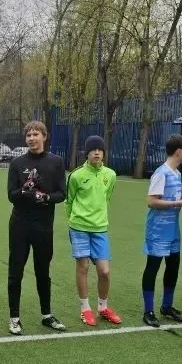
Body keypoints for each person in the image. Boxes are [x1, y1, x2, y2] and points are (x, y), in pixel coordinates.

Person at [6, 120, 67, 335]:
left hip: (43, 226)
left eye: (36, 134)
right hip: (20, 225)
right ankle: (14, 318)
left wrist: (45, 197)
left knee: (43, 271)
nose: (32, 138)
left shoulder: (56, 162)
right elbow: (11, 195)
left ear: (44, 136)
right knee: (16, 271)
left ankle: (46, 315)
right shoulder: (17, 163)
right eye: (28, 135)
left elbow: (62, 194)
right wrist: (25, 190)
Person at [66, 135, 121, 326]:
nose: (97, 153)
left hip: (100, 229)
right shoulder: (76, 175)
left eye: (100, 150)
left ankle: (103, 307)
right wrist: (74, 220)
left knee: (104, 271)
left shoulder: (110, 175)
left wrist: (99, 218)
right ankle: (85, 309)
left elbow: (107, 197)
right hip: (79, 227)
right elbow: (69, 201)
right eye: (93, 150)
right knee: (83, 268)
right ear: (87, 153)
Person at [141, 134, 182, 328]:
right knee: (152, 268)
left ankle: (167, 306)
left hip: (173, 230)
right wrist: (178, 203)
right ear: (179, 152)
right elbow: (152, 201)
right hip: (158, 230)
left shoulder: (177, 173)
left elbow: (174, 199)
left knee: (173, 267)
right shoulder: (161, 173)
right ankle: (148, 311)